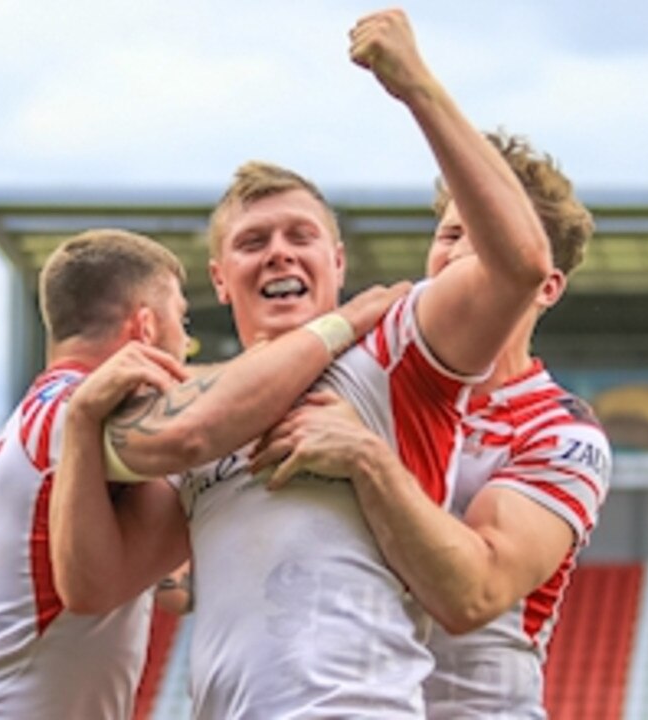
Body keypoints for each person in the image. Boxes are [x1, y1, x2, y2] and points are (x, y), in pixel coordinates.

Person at [53, 8, 557, 717]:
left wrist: (417, 88)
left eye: (302, 236)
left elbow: (522, 265)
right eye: (254, 241)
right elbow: (94, 587)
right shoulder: (203, 405)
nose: (280, 252)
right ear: (221, 279)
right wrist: (80, 426)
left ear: (338, 261)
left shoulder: (395, 346)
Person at [0, 228, 403, 719]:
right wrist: (342, 325)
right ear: (146, 327)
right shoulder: (78, 410)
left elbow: (152, 562)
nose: (186, 343)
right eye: (181, 321)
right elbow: (199, 428)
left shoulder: (36, 419)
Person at [252, 131, 610, 719]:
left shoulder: (563, 433)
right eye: (449, 234)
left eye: (486, 238)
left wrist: (369, 459)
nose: (457, 254)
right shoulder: (374, 370)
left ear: (543, 283)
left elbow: (472, 595)